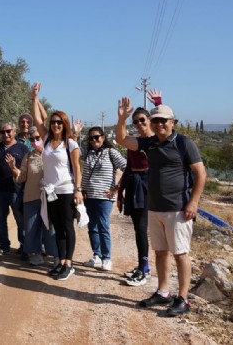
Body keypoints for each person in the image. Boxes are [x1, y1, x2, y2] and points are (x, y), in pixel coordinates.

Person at [116, 97, 206, 316]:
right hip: (155, 208)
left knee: (181, 254)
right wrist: (122, 118)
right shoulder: (149, 143)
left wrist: (193, 202)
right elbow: (121, 139)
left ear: (172, 121)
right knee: (161, 252)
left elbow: (200, 173)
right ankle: (163, 292)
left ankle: (183, 299)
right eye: (155, 121)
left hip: (178, 209)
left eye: (163, 120)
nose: (159, 124)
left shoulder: (184, 143)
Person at [32, 81, 83, 281]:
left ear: (64, 124)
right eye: (53, 122)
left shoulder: (70, 143)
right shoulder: (46, 140)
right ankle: (61, 261)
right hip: (50, 190)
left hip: (66, 189)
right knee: (57, 227)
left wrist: (78, 189)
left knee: (67, 226)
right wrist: (34, 97)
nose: (55, 125)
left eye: (59, 122)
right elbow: (37, 119)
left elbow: (77, 168)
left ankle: (69, 264)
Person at [8, 126, 59, 267]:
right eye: (32, 139)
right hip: (31, 197)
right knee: (31, 228)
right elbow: (22, 177)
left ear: (44, 138)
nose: (35, 141)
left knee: (51, 228)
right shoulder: (28, 156)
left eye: (38, 138)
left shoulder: (52, 154)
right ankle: (35, 254)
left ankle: (55, 255)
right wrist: (13, 168)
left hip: (49, 198)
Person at [80, 126, 126, 271]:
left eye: (97, 137)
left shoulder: (111, 152)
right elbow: (73, 153)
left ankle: (107, 258)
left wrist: (116, 188)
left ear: (103, 137)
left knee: (103, 227)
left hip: (104, 198)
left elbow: (127, 167)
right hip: (89, 196)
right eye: (91, 138)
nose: (94, 140)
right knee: (92, 227)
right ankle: (97, 256)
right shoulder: (87, 153)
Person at [118, 106, 154, 286]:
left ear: (149, 119)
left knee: (141, 227)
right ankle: (142, 264)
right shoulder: (135, 143)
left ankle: (145, 268)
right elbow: (128, 167)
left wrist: (158, 102)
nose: (139, 124)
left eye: (142, 120)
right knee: (137, 228)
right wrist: (120, 192)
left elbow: (169, 126)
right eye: (136, 121)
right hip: (134, 183)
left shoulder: (155, 141)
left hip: (148, 184)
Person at [0, 120, 29, 257]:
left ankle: (24, 245)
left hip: (16, 190)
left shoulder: (22, 148)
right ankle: (4, 245)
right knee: (0, 219)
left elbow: (26, 170)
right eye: (2, 132)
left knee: (20, 219)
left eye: (8, 131)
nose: (6, 134)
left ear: (14, 132)